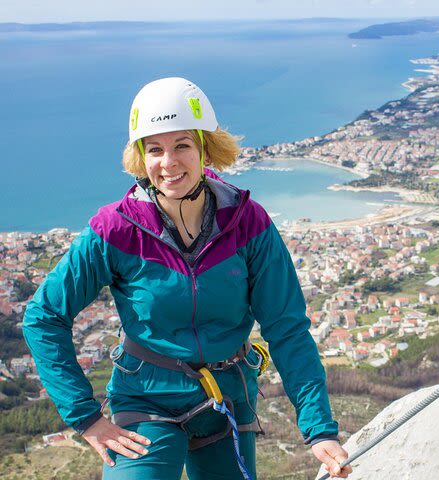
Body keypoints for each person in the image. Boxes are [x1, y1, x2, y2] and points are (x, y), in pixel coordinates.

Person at [23, 77, 352, 479]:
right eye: (155, 149)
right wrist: (86, 418)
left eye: (182, 145)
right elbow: (43, 315)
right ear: (141, 157)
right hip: (146, 400)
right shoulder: (115, 230)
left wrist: (319, 431)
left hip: (227, 396)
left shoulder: (247, 223)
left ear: (204, 148)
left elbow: (287, 328)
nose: (168, 162)